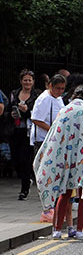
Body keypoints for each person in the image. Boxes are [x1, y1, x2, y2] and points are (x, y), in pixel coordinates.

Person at [32, 83, 83, 239]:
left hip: (65, 158)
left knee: (64, 193)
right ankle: (79, 230)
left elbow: (54, 136)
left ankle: (57, 230)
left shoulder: (64, 111)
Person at [9, 70, 40, 200]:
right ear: (21, 81)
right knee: (15, 160)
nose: (27, 82)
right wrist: (10, 114)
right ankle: (26, 179)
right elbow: (7, 109)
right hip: (15, 130)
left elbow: (38, 113)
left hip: (28, 132)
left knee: (25, 160)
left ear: (33, 82)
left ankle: (24, 190)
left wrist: (27, 111)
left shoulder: (37, 95)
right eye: (25, 80)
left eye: (29, 80)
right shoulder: (14, 94)